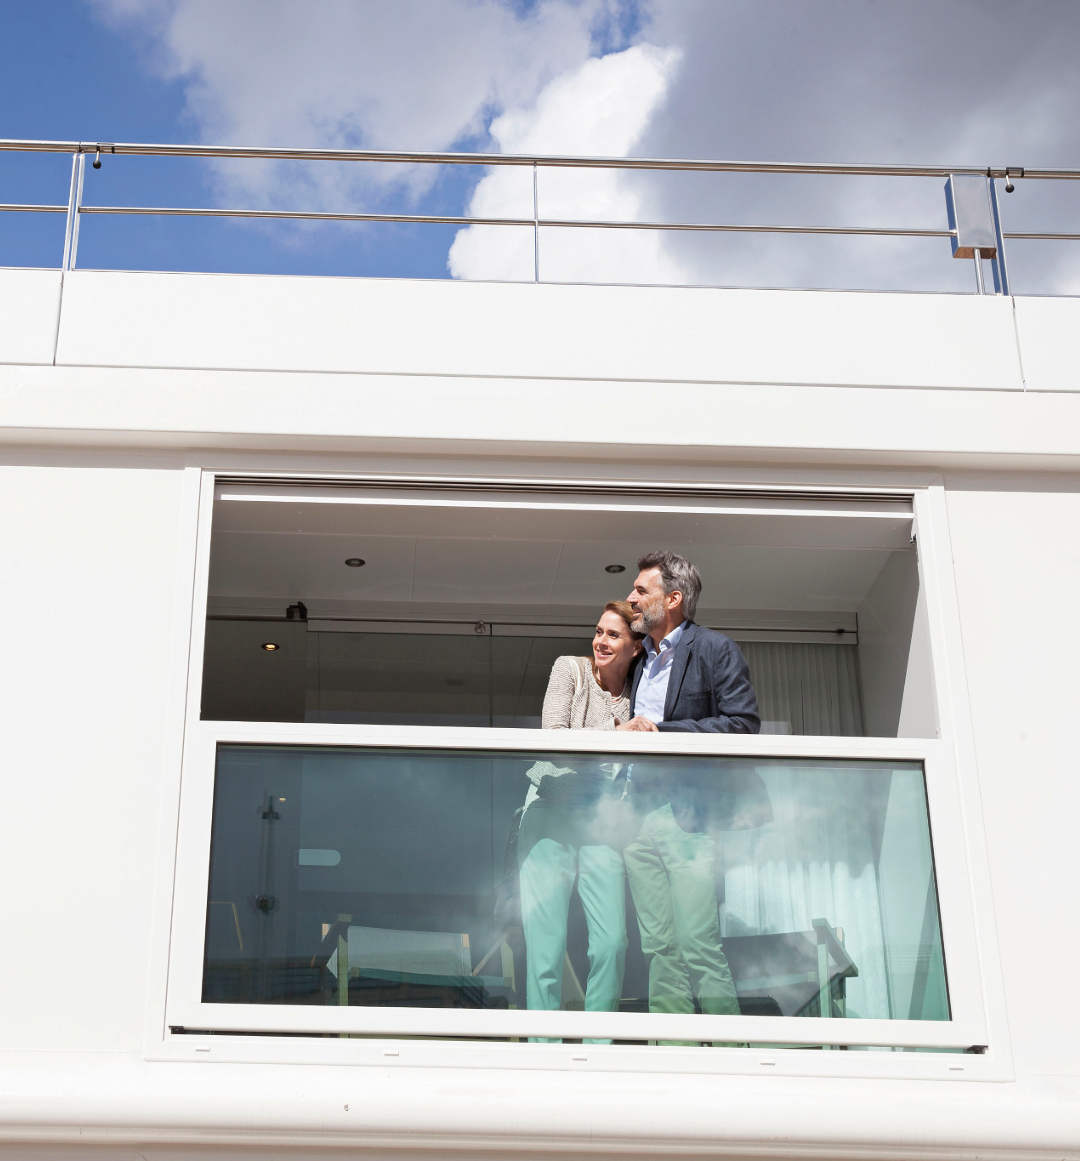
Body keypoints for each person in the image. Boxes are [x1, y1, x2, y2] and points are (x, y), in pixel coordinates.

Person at [618, 550, 760, 1030]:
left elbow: (743, 724)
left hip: (689, 817)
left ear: (673, 599)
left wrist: (663, 732)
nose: (631, 598)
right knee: (659, 948)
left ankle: (730, 1055)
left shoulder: (715, 649)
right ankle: (674, 1054)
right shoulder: (640, 659)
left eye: (642, 590)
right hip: (638, 816)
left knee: (699, 942)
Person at [517, 601, 645, 1034]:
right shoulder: (569, 669)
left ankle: (598, 1047)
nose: (600, 642)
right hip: (547, 813)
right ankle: (543, 1048)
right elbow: (553, 738)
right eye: (598, 632)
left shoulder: (639, 693)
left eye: (613, 635)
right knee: (546, 945)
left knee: (612, 942)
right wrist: (616, 733)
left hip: (599, 822)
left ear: (635, 648)